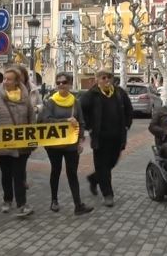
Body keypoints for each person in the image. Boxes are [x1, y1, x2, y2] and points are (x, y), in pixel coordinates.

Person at [39, 72, 93, 215]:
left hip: (71, 145)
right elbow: (46, 120)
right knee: (55, 171)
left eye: (64, 82)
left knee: (72, 173)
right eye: (58, 83)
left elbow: (81, 122)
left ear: (70, 84)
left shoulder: (75, 102)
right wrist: (65, 122)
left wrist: (81, 139)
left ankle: (78, 205)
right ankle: (54, 200)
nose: (61, 85)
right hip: (54, 145)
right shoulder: (50, 101)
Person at [0, 68, 35, 217]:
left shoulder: (26, 99)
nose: (6, 81)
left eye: (9, 79)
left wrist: (32, 141)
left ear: (17, 81)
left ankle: (22, 204)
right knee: (6, 174)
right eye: (5, 79)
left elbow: (32, 120)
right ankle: (7, 200)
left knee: (19, 175)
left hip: (21, 145)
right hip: (4, 145)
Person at [81, 70, 133, 207]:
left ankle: (93, 178)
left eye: (109, 77)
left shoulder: (119, 93)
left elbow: (129, 110)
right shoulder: (91, 94)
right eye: (103, 78)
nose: (107, 80)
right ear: (97, 79)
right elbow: (81, 111)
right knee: (102, 166)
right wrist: (89, 127)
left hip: (117, 136)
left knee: (112, 163)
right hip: (100, 137)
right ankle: (108, 195)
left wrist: (127, 125)